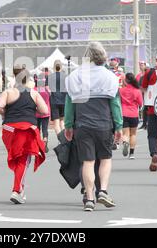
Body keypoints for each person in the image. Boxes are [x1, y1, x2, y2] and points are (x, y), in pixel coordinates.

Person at [64, 42, 122, 212]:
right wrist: (118, 126)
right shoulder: (110, 77)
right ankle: (103, 190)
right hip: (104, 123)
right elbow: (115, 103)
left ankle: (89, 198)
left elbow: (70, 104)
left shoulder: (74, 76)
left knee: (87, 161)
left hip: (82, 124)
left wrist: (68, 125)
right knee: (105, 158)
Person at [0, 66, 48, 204]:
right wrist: (31, 110)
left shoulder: (8, 92)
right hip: (26, 128)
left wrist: (6, 113)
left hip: (9, 129)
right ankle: (16, 190)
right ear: (28, 79)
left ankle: (20, 188)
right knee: (23, 160)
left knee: (17, 158)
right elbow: (44, 110)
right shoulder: (33, 93)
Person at [120, 73, 143, 159]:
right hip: (134, 114)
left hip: (123, 113)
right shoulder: (137, 91)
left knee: (125, 134)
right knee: (133, 134)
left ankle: (125, 142)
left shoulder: (121, 90)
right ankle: (132, 154)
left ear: (125, 80)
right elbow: (141, 103)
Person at [48, 60, 67, 136]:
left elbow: (47, 89)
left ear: (53, 67)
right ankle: (65, 142)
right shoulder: (65, 76)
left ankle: (61, 140)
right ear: (61, 67)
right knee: (62, 122)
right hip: (64, 101)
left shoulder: (50, 77)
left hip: (54, 101)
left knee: (56, 123)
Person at [34, 74, 51, 153]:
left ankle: (37, 145)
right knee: (45, 129)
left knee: (37, 129)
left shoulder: (34, 90)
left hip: (36, 112)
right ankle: (45, 143)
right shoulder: (47, 90)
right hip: (46, 112)